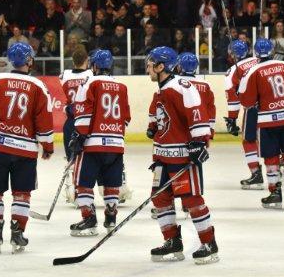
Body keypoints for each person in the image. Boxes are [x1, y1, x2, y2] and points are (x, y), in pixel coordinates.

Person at [0, 43, 54, 254]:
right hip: (25, 149)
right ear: (29, 61)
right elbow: (44, 120)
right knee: (22, 192)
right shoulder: (38, 86)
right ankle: (18, 233)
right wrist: (48, 146)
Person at [145, 46, 216, 263]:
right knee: (159, 198)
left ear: (161, 66)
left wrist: (198, 143)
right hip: (162, 156)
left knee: (192, 199)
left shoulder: (182, 87)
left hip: (182, 156)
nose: (147, 68)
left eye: (150, 65)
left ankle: (209, 243)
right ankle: (172, 241)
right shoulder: (161, 90)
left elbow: (197, 114)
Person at [68, 49, 131, 236]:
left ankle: (89, 219)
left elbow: (83, 113)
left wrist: (79, 135)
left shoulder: (88, 83)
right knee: (112, 181)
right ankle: (111, 217)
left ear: (94, 66)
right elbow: (125, 119)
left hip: (93, 144)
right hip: (116, 144)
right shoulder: (121, 86)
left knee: (82, 183)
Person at [239, 38, 284, 209]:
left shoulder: (253, 71)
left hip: (267, 121)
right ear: (273, 51)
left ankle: (275, 193)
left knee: (271, 157)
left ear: (256, 53)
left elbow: (247, 102)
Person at [224, 39, 263, 189]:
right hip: (272, 106)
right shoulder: (258, 60)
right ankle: (278, 172)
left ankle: (256, 174)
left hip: (252, 108)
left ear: (231, 54)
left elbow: (233, 101)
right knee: (272, 138)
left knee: (249, 140)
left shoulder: (232, 71)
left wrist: (232, 120)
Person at [58, 47, 93, 205]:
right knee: (89, 157)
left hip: (71, 121)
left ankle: (72, 191)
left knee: (71, 158)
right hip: (86, 121)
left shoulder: (64, 75)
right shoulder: (91, 75)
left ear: (73, 61)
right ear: (87, 61)